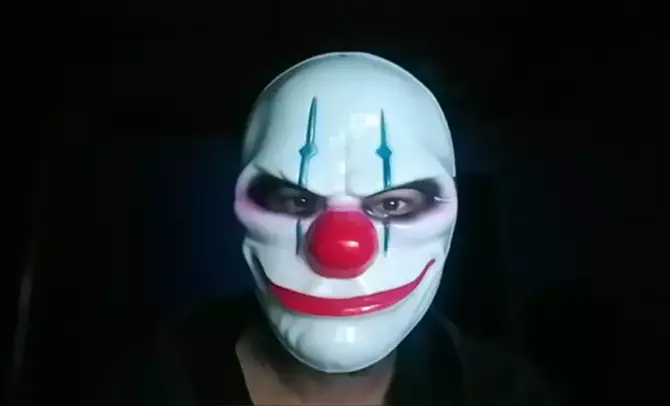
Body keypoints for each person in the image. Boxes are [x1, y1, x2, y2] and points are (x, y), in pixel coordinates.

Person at [103, 53, 563, 406]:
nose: (342, 249)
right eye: (297, 200)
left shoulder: (505, 393)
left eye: (393, 203)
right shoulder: (150, 388)